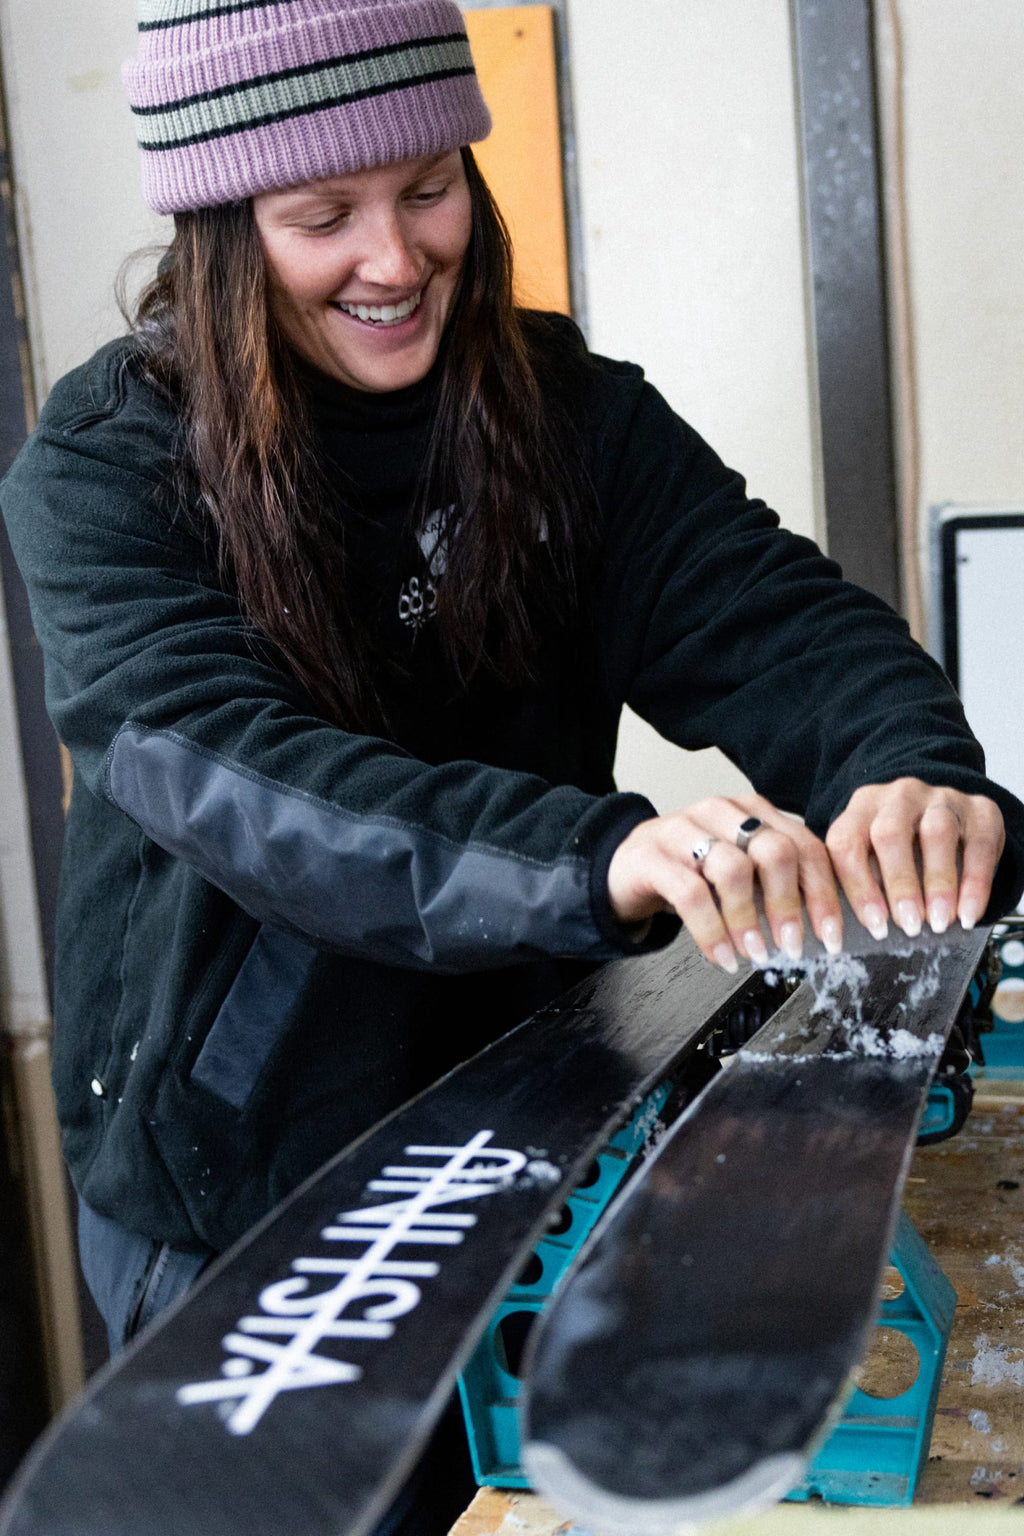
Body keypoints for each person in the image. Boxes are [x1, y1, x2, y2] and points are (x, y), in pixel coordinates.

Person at [1, 0, 1022, 1527]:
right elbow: (239, 777)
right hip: (252, 1188)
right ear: (220, 229)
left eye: (428, 188)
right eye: (320, 215)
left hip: (541, 1131)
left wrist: (908, 770)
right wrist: (602, 855)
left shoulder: (573, 423)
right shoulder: (102, 472)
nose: (395, 257)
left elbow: (780, 623)